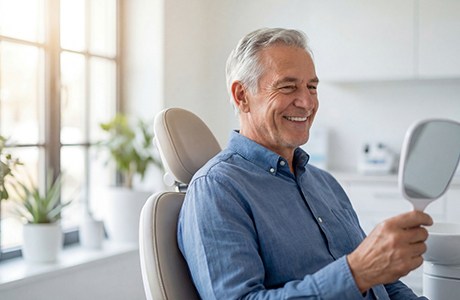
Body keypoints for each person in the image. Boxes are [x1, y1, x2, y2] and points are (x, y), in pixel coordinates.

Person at [177, 27, 432, 299]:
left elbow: (384, 284)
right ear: (242, 96)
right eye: (288, 87)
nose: (307, 102)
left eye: (312, 87)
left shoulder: (326, 184)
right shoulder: (216, 190)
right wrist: (356, 274)